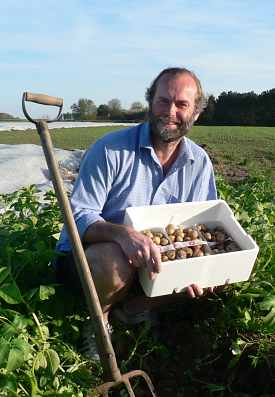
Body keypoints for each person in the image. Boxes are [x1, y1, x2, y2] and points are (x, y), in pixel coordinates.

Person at [55, 66, 217, 335]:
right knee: (113, 260)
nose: (170, 111)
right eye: (163, 101)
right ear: (150, 103)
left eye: (182, 104)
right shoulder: (110, 150)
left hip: (153, 264)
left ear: (196, 113)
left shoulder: (198, 162)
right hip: (92, 259)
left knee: (219, 270)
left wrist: (197, 267)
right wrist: (121, 234)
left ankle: (134, 309)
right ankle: (98, 325)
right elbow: (78, 216)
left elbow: (202, 225)